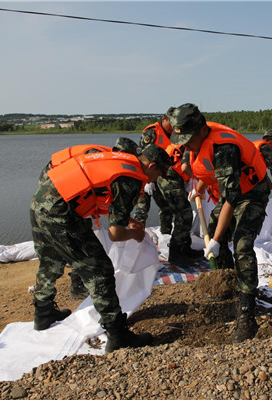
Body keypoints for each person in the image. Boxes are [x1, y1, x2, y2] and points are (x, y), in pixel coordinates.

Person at [30, 141, 172, 353]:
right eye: (158, 174)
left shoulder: (120, 160)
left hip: (41, 203)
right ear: (152, 166)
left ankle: (43, 312)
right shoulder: (131, 179)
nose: (155, 180)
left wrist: (128, 220)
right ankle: (118, 333)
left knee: (51, 260)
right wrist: (136, 234)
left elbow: (97, 192)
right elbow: (115, 235)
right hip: (62, 214)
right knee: (100, 271)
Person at [169, 103, 270, 343]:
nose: (184, 143)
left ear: (202, 130)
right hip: (233, 192)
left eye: (187, 138)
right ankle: (227, 282)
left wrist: (214, 241)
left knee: (243, 245)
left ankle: (247, 313)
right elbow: (206, 168)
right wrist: (200, 189)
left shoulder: (224, 148)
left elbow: (231, 198)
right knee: (216, 226)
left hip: (252, 192)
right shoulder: (196, 141)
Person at [38, 138, 137, 300]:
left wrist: (125, 219)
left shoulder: (106, 157)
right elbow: (90, 194)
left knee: (69, 240)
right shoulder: (101, 159)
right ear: (124, 154)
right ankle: (78, 286)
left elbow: (101, 199)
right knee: (77, 241)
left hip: (57, 188)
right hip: (57, 190)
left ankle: (46, 302)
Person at [134, 108, 203, 265]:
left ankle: (184, 248)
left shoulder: (184, 135)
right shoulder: (188, 138)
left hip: (171, 174)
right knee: (183, 214)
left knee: (183, 214)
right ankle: (177, 253)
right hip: (168, 176)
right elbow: (185, 166)